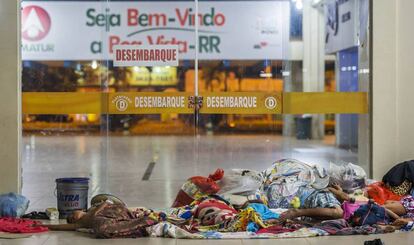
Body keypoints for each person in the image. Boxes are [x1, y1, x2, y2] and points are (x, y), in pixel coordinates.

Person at [41, 202, 157, 238]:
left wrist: (96, 211)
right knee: (101, 227)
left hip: (115, 211)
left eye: (72, 214)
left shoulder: (92, 209)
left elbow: (106, 202)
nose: (73, 217)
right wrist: (47, 226)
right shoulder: (81, 223)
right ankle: (140, 223)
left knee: (116, 210)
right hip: (105, 220)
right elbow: (63, 227)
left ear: (81, 210)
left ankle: (133, 218)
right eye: (72, 219)